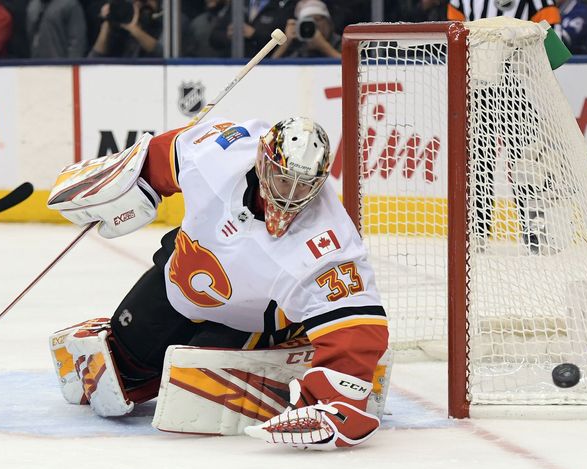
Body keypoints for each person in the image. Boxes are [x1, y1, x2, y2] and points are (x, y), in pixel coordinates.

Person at [46, 116, 390, 449]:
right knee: (127, 364)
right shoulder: (220, 153)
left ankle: (294, 342)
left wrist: (337, 398)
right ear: (262, 161)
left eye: (304, 185)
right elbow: (164, 156)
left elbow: (357, 325)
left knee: (196, 375)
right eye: (284, 180)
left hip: (252, 320)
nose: (291, 195)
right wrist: (131, 181)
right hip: (180, 282)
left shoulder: (328, 241)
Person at [448, 0, 562, 254]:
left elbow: (554, 38)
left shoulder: (539, 2)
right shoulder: (462, 1)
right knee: (480, 159)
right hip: (480, 87)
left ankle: (534, 231)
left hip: (520, 88)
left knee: (526, 161)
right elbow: (454, 38)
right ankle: (476, 232)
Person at [210, 0, 294, 57]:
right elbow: (214, 37)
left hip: (266, 67)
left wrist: (254, 34)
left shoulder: (282, 7)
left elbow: (285, 42)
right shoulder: (238, 4)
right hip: (234, 65)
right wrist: (227, 34)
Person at [89, 0, 164, 58]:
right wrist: (107, 25)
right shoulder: (118, 27)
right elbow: (90, 64)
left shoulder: (164, 25)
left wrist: (134, 30)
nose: (140, 5)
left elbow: (164, 54)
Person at [272, 0, 342, 59]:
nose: (315, 24)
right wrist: (285, 42)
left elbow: (349, 67)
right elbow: (269, 69)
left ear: (328, 22)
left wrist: (324, 47)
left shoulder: (341, 43)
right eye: (308, 21)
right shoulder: (297, 45)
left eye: (317, 19)